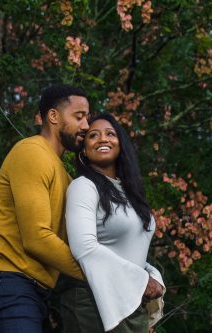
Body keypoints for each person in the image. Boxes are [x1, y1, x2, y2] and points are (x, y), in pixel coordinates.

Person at [0, 84, 90, 333]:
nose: (86, 126)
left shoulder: (65, 177)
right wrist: (98, 274)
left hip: (33, 289)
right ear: (53, 116)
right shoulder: (32, 152)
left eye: (87, 118)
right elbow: (37, 238)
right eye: (79, 117)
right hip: (4, 276)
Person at [60, 113, 166, 332]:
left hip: (129, 300)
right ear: (83, 151)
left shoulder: (130, 193)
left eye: (110, 133)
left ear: (121, 144)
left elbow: (129, 252)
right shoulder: (83, 186)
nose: (102, 139)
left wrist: (151, 276)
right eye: (93, 135)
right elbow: (84, 247)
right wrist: (141, 280)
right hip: (92, 300)